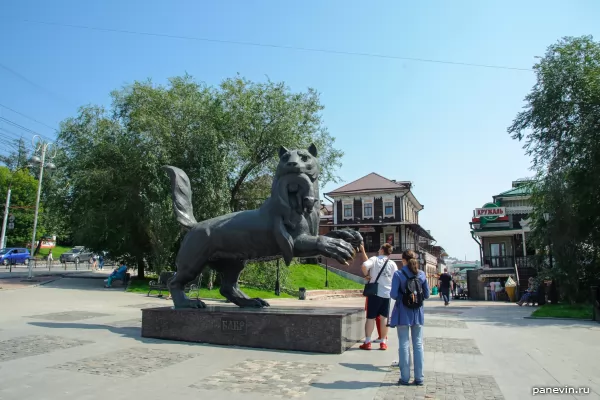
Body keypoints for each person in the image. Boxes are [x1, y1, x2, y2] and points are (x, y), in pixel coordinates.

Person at [390, 249, 430, 386]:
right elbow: (427, 294)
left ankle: (405, 377)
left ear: (403, 260)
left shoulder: (398, 274)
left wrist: (404, 298)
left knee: (404, 343)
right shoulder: (422, 274)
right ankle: (419, 378)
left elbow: (393, 295)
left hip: (403, 312)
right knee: (418, 344)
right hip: (417, 312)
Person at [358, 243, 398, 350]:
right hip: (387, 294)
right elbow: (396, 277)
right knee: (384, 318)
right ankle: (383, 342)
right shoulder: (392, 264)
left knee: (370, 317)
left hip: (375, 293)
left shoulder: (374, 259)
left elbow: (364, 266)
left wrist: (367, 275)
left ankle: (367, 341)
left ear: (381, 250)